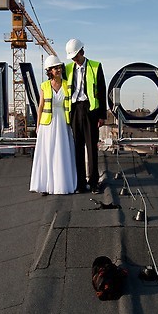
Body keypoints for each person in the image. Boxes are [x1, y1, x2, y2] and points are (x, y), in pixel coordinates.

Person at [29, 55, 77, 196]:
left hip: (62, 121)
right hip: (47, 124)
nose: (58, 70)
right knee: (47, 152)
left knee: (61, 151)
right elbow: (41, 106)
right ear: (49, 71)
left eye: (59, 67)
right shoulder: (44, 86)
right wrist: (38, 126)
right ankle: (45, 185)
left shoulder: (66, 85)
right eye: (55, 68)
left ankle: (61, 184)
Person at [65, 38, 107, 194]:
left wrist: (102, 115)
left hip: (90, 110)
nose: (74, 60)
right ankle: (80, 183)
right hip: (74, 109)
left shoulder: (95, 66)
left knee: (91, 148)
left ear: (82, 52)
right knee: (77, 148)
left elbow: (102, 91)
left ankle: (94, 182)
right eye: (72, 57)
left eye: (76, 56)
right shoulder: (68, 68)